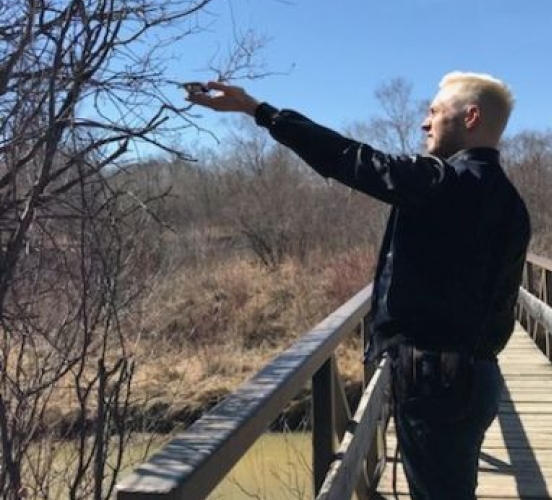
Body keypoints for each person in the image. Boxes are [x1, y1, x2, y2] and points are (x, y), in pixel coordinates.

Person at [187, 71, 531, 500]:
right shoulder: (512, 203)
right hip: (476, 377)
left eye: (434, 112)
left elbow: (348, 158)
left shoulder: (444, 182)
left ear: (471, 117)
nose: (425, 124)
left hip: (437, 382)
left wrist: (258, 110)